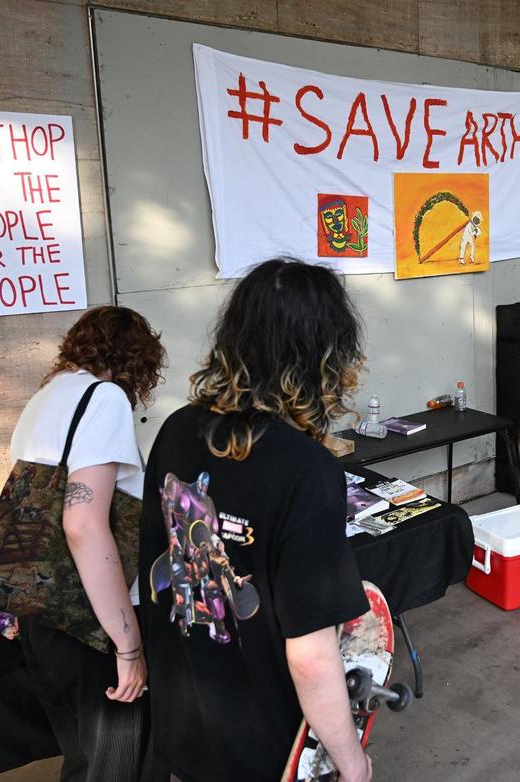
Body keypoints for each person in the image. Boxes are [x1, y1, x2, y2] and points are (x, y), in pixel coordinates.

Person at [140, 258, 373, 782]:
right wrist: (351, 763)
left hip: (183, 726)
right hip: (265, 750)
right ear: (326, 354)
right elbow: (312, 655)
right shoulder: (306, 469)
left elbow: (155, 563)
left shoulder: (176, 429)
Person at [10, 305, 166, 781]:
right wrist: (128, 646)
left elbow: (28, 509)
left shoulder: (46, 396)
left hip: (43, 608)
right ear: (135, 360)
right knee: (120, 764)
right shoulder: (103, 399)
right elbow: (82, 522)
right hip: (92, 622)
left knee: (84, 759)